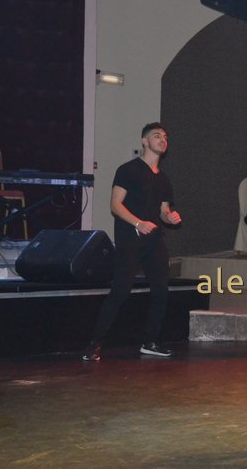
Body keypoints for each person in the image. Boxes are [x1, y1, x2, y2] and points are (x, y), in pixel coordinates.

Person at [82, 123, 182, 361]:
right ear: (144, 141)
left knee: (161, 290)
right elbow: (115, 205)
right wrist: (138, 223)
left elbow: (163, 211)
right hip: (130, 239)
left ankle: (151, 342)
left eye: (165, 137)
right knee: (121, 290)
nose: (162, 139)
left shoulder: (163, 179)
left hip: (154, 240)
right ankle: (94, 344)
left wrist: (170, 217)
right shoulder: (128, 170)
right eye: (156, 136)